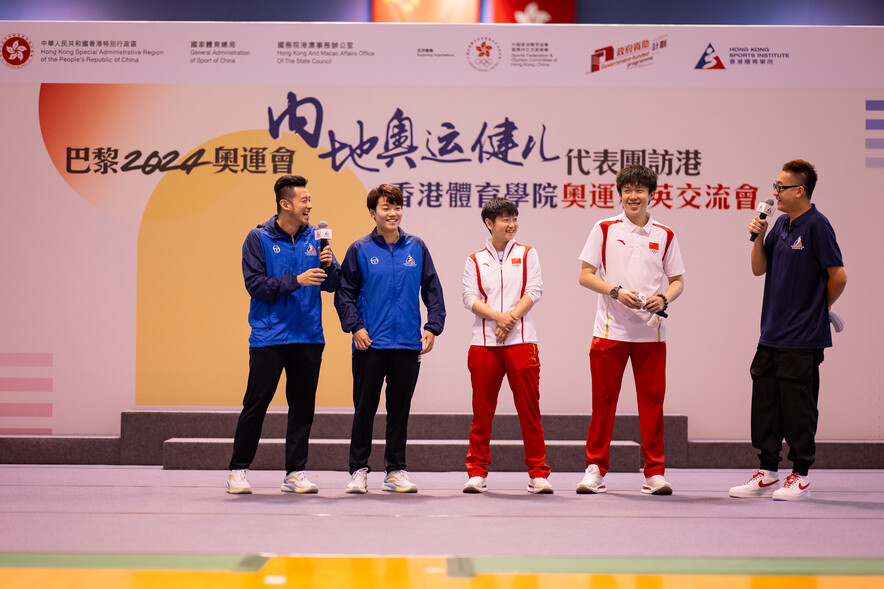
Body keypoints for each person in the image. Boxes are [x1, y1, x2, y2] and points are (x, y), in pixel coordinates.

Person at [729, 159, 846, 501]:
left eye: (780, 187)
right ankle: (767, 471)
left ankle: (801, 474)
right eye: (774, 186)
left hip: (803, 337)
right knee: (765, 403)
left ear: (799, 190)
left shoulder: (817, 226)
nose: (774, 192)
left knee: (798, 407)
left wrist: (818, 308)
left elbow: (838, 276)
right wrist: (758, 236)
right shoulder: (779, 224)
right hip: (771, 333)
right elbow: (758, 269)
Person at [226, 175, 340, 495]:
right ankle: (238, 470)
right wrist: (297, 280)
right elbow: (256, 285)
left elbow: (332, 285)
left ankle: (295, 473)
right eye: (304, 201)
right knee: (256, 403)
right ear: (285, 204)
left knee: (302, 407)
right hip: (269, 336)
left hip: (309, 336)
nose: (310, 206)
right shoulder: (258, 237)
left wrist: (330, 267)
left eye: (310, 200)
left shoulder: (316, 237)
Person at [576, 163, 685, 495]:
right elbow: (585, 274)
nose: (633, 196)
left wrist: (664, 298)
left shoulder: (665, 234)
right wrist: (615, 291)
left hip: (651, 333)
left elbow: (677, 281)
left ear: (652, 195)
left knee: (652, 403)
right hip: (609, 332)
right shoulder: (605, 228)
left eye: (640, 190)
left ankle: (654, 473)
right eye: (628, 190)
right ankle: (595, 469)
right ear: (620, 194)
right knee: (603, 402)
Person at [334, 184, 446, 494]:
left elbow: (433, 290)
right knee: (365, 409)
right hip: (370, 344)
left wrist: (432, 326)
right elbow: (345, 293)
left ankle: (396, 470)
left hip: (408, 345)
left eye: (396, 207)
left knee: (400, 410)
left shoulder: (417, 248)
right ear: (373, 213)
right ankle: (358, 470)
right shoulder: (360, 249)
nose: (392, 213)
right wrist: (355, 327)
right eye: (385, 207)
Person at [462, 198, 553, 495]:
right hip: (484, 345)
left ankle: (538, 473)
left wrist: (511, 319)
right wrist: (500, 317)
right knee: (482, 412)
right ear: (490, 223)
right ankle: (477, 472)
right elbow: (469, 298)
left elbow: (534, 290)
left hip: (522, 341)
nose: (511, 224)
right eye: (505, 219)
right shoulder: (475, 259)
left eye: (514, 218)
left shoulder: (528, 254)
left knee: (529, 410)